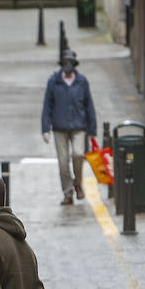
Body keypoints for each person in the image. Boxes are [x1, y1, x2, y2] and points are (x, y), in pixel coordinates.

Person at [41, 48, 99, 205]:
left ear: (74, 64)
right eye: (65, 62)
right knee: (63, 162)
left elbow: (89, 105)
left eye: (70, 62)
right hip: (59, 127)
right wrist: (45, 128)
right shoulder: (54, 81)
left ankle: (77, 182)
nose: (68, 65)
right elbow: (47, 106)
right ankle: (68, 192)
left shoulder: (82, 81)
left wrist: (92, 130)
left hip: (79, 126)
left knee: (78, 154)